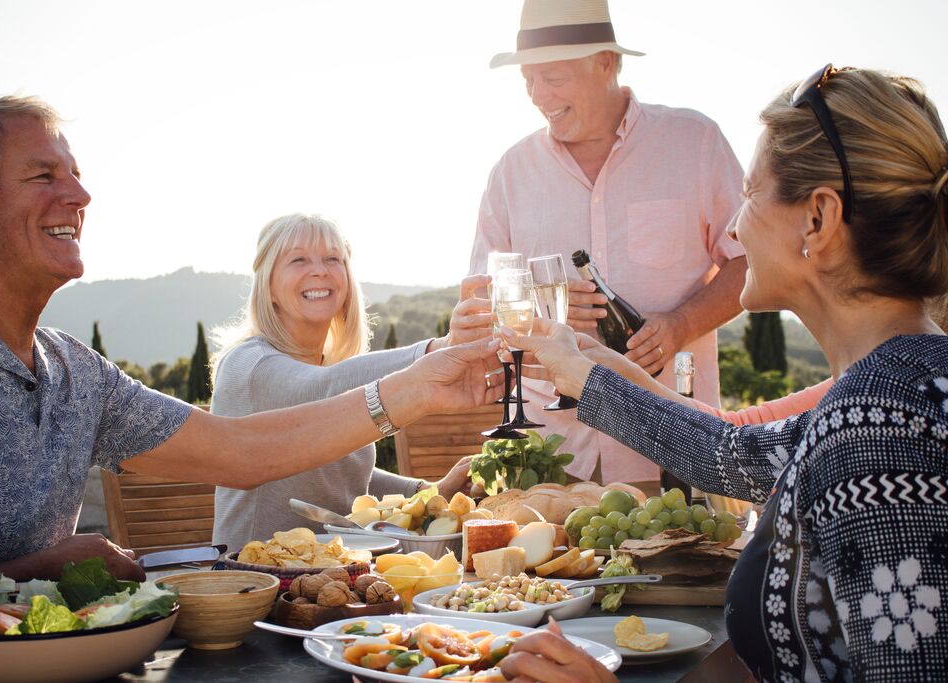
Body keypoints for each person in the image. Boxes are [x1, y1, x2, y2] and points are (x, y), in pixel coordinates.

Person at [0, 96, 503, 584]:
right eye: (44, 175)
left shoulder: (76, 371)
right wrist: (425, 364)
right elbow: (304, 405)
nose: (81, 195)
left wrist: (421, 422)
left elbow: (241, 453)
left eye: (75, 174)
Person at [502, 66, 948, 681]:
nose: (734, 226)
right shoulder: (894, 391)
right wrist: (594, 374)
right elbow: (733, 455)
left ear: (818, 219)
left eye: (751, 194)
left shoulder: (879, 429)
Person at [469, 0, 747, 484]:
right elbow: (480, 297)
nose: (537, 94)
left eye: (552, 77)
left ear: (605, 62)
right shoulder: (510, 172)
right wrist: (545, 309)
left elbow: (750, 264)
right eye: (528, 79)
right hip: (548, 453)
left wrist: (681, 324)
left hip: (671, 443)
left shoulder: (695, 142)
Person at [210, 213, 491, 547]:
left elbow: (344, 474)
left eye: (333, 259)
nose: (320, 270)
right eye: (298, 259)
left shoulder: (333, 370)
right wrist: (440, 349)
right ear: (268, 286)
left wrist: (428, 491)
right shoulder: (248, 365)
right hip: (252, 573)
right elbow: (320, 388)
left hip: (332, 568)